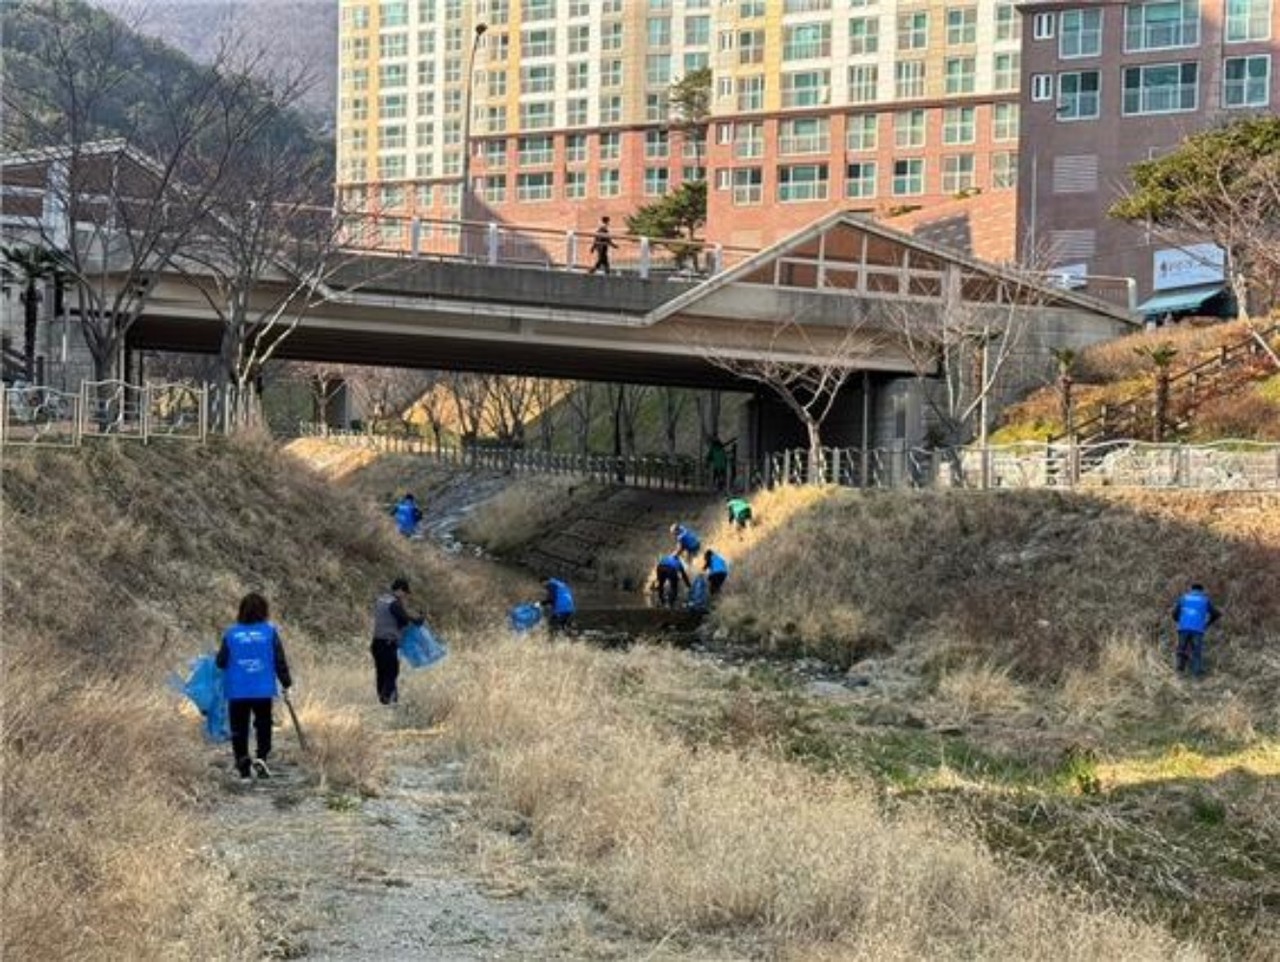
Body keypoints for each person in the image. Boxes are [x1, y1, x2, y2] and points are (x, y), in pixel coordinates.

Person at [215, 592, 292, 779]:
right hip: (262, 689)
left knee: (238, 728)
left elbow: (221, 662)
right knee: (263, 724)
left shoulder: (231, 633)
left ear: (241, 611)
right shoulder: (269, 632)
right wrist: (286, 683)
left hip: (237, 690)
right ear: (264, 610)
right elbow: (279, 660)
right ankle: (261, 758)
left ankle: (242, 764)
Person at [370, 576, 422, 705]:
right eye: (404, 593)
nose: (405, 596)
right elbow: (405, 619)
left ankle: (383, 701)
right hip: (388, 644)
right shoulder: (394, 603)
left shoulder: (381, 600)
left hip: (376, 643)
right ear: (399, 590)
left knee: (381, 673)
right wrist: (419, 619)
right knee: (392, 673)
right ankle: (389, 702)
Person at [1171, 582, 1221, 677]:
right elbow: (1216, 614)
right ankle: (1196, 675)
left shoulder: (1184, 598)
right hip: (1198, 629)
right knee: (1196, 652)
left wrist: (1180, 621)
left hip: (1183, 628)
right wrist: (1207, 624)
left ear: (1191, 589)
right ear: (1202, 590)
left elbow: (1174, 613)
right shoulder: (1205, 600)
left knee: (1181, 649)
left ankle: (1179, 672)